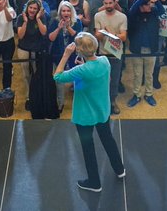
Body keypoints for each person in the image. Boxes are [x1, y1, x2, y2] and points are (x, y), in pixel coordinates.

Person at [53, 32, 126, 193]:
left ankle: (94, 182)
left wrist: (66, 55)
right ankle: (120, 169)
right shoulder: (105, 61)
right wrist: (83, 63)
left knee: (88, 147)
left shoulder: (81, 70)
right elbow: (91, 72)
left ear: (79, 50)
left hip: (85, 116)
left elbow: (57, 77)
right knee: (108, 139)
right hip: (102, 110)